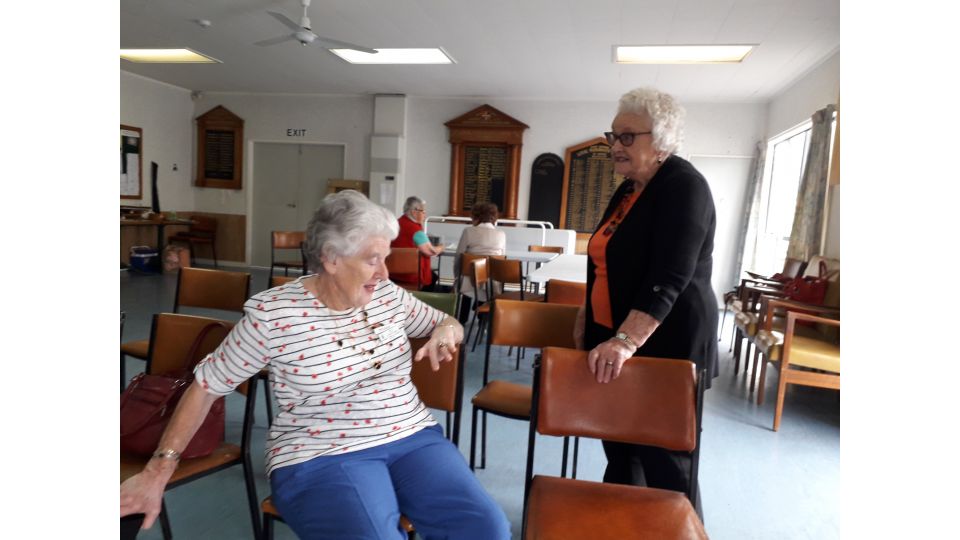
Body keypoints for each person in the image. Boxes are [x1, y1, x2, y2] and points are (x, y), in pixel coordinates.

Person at [120, 190, 510, 540]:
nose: (385, 273)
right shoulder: (274, 316)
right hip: (321, 450)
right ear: (331, 258)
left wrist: (446, 331)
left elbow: (448, 323)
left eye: (386, 258)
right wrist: (158, 472)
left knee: (486, 527)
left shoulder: (388, 295)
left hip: (411, 436)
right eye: (373, 260)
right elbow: (206, 386)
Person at [574, 87, 719, 514]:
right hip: (616, 339)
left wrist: (623, 341)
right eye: (612, 136)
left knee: (667, 463)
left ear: (662, 140)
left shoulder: (683, 186)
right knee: (622, 451)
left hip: (666, 345)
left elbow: (668, 277)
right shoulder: (629, 190)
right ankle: (625, 524)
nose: (615, 146)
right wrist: (590, 312)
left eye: (627, 137)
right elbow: (610, 260)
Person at [454, 202, 506, 323]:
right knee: (487, 278)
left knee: (467, 275)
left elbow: (459, 256)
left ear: (476, 217)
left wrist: (457, 276)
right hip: (491, 283)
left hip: (469, 281)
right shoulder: (501, 234)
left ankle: (462, 319)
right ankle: (483, 318)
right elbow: (502, 260)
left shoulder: (468, 231)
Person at [391, 196, 444, 290]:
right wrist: (441, 247)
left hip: (393, 276)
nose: (425, 215)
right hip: (412, 277)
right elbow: (431, 252)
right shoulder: (416, 231)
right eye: (423, 211)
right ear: (414, 212)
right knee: (434, 277)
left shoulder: (395, 224)